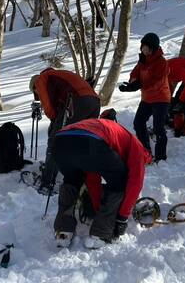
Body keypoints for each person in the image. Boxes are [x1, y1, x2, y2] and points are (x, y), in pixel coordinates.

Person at [53, 117, 152, 248]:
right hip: (91, 141)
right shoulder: (137, 149)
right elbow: (134, 186)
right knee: (120, 181)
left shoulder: (113, 139)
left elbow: (92, 179)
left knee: (72, 180)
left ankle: (63, 230)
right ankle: (101, 234)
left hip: (59, 142)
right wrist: (121, 218)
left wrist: (97, 209)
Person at [30, 68, 101, 191]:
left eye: (36, 92)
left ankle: (47, 182)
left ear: (35, 86)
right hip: (94, 102)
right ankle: (82, 180)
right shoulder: (58, 75)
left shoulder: (41, 79)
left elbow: (49, 108)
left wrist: (54, 123)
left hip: (76, 102)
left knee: (56, 140)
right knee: (82, 141)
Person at [119, 33, 170, 162]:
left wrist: (138, 85)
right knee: (138, 123)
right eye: (142, 47)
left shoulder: (162, 62)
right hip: (147, 98)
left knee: (158, 127)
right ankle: (145, 151)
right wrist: (131, 84)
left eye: (146, 47)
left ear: (153, 48)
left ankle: (161, 157)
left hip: (161, 99)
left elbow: (156, 82)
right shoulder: (143, 60)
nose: (143, 50)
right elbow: (134, 74)